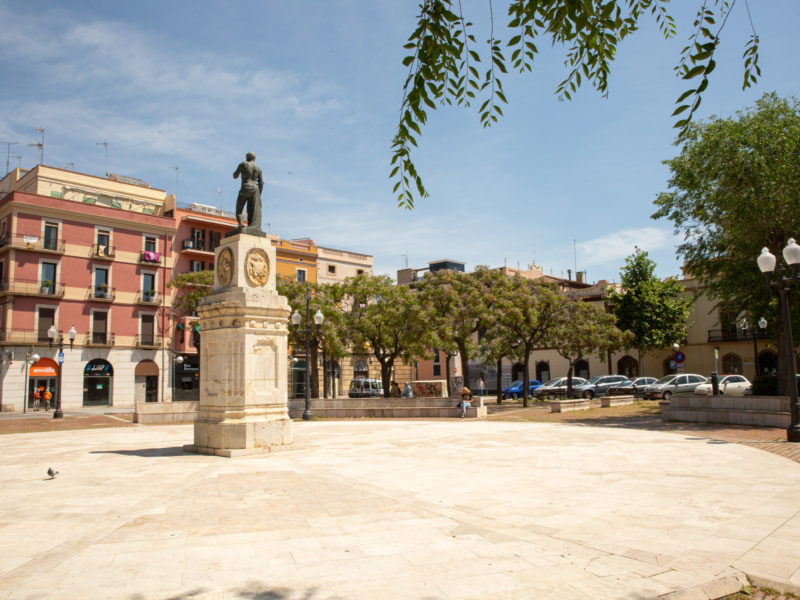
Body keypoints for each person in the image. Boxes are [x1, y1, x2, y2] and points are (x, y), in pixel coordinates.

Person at [232, 152, 264, 233]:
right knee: (252, 210)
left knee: (239, 210)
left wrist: (238, 170)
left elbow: (235, 176)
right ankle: (251, 226)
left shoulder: (243, 164)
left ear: (247, 157)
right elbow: (261, 183)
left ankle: (241, 224)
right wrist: (259, 195)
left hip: (245, 187)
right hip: (255, 190)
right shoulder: (258, 168)